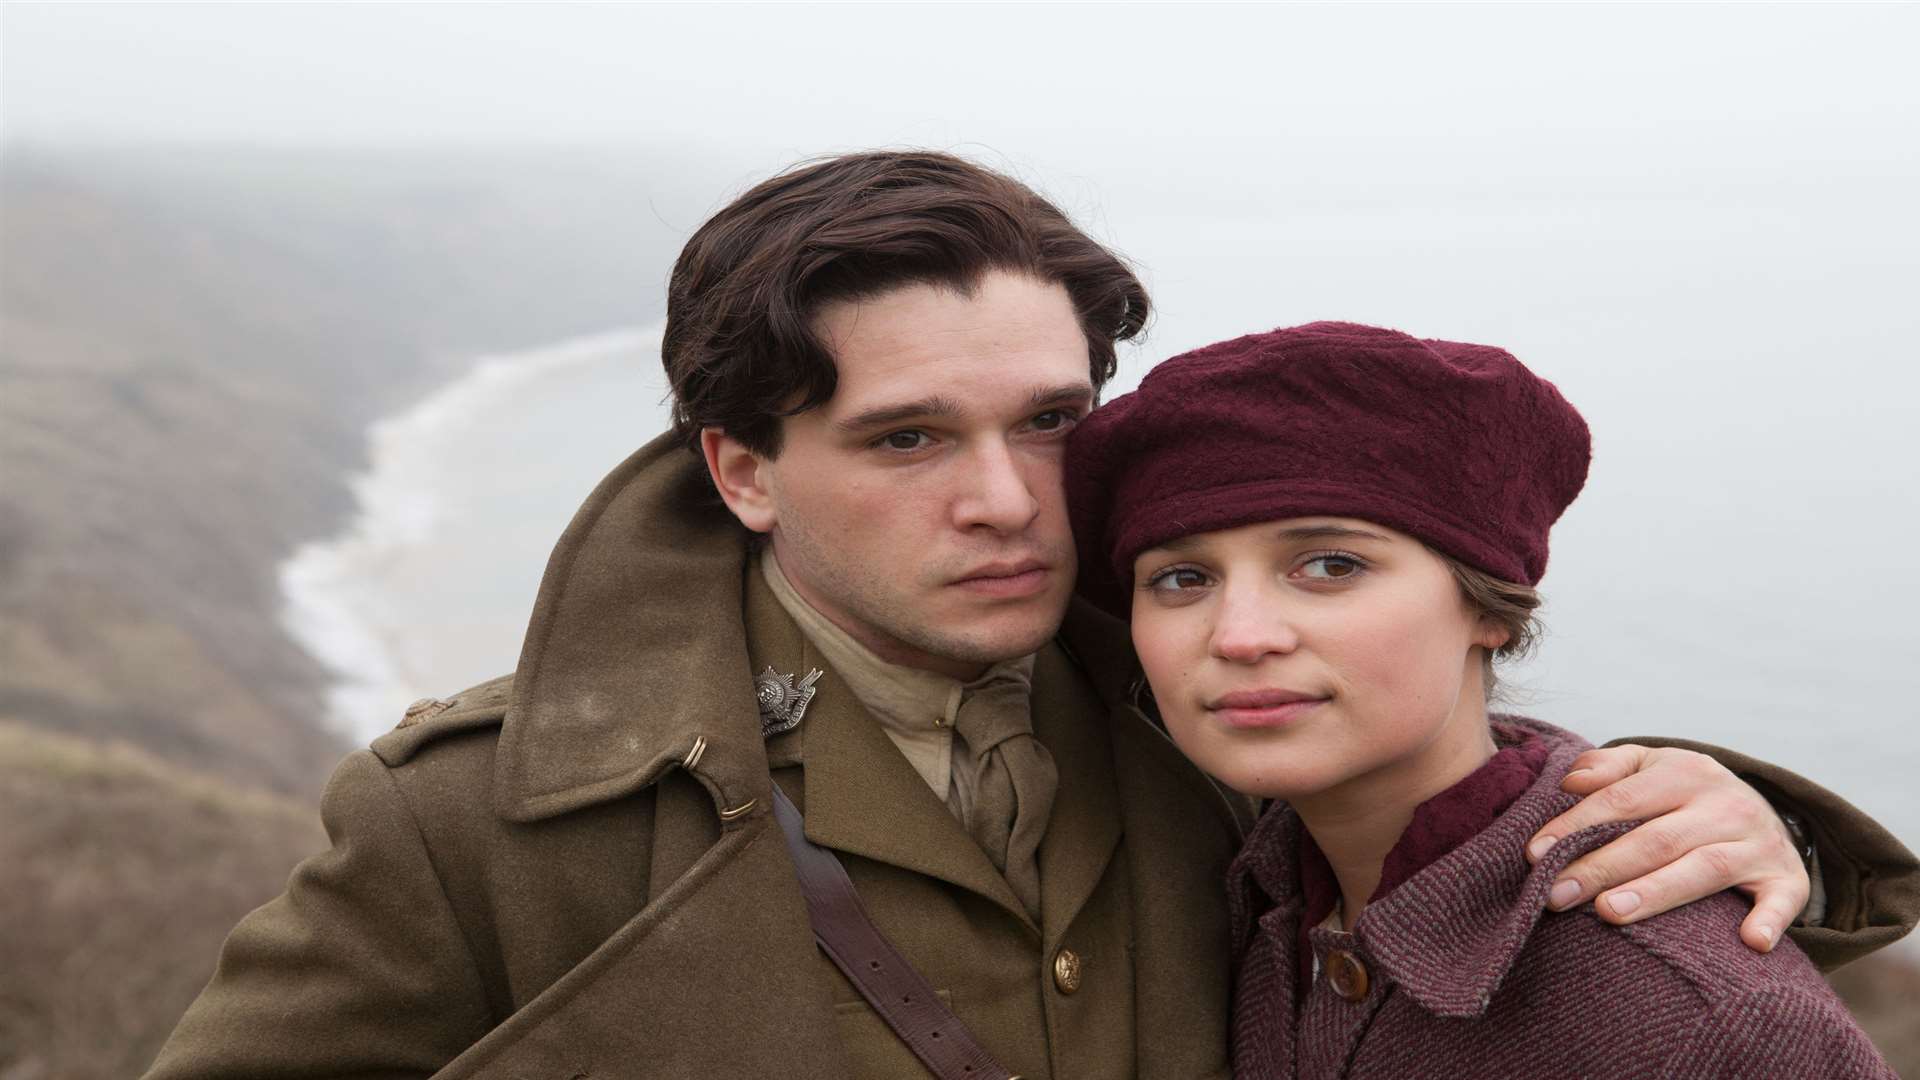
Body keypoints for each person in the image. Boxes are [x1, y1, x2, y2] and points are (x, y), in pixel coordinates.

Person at [146, 153, 1918, 1079]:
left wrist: (1712, 806)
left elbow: (1480, 876)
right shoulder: (477, 824)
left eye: (1052, 427)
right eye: (907, 438)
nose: (1005, 501)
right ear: (743, 469)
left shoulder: (1217, 714)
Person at [1064, 321, 1912, 1078]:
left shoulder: (1705, 1022)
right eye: (1181, 578)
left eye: (1331, 565)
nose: (1241, 635)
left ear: (1487, 607)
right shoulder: (1244, 897)